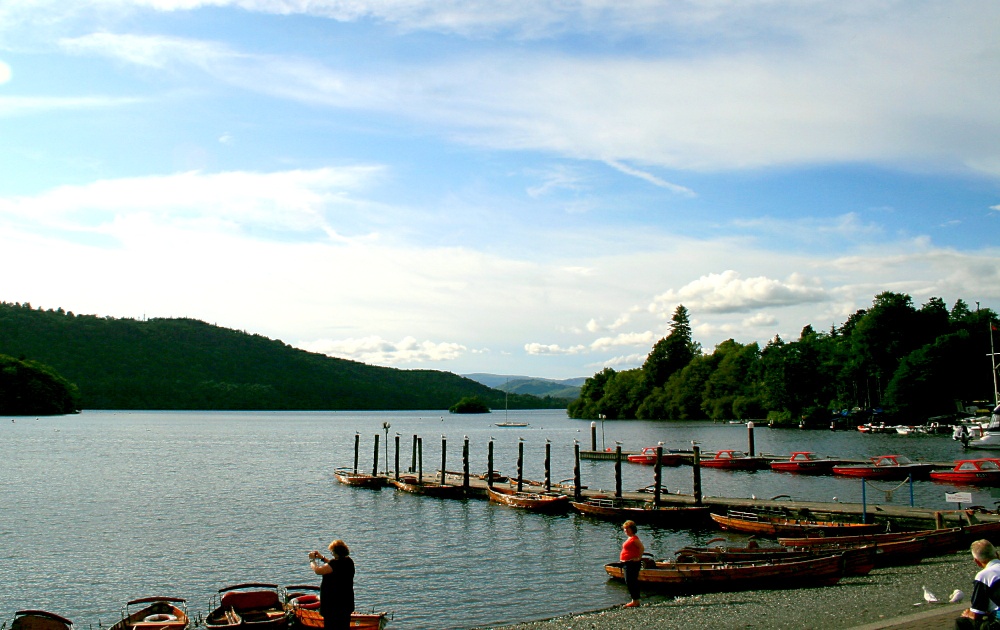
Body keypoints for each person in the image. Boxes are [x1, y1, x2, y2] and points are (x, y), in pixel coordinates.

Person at [308, 539, 355, 630]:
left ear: (336, 552)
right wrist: (322, 558)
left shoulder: (334, 564)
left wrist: (312, 561)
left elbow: (318, 570)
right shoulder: (349, 561)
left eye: (332, 552)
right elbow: (333, 566)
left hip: (333, 605)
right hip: (346, 603)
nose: (331, 554)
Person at [957, 539, 1000, 629]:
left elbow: (976, 614)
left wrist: (968, 614)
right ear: (997, 554)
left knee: (962, 622)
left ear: (976, 561)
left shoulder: (983, 576)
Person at [619, 520, 644, 608]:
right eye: (624, 529)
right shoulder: (630, 538)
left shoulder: (634, 538)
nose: (625, 531)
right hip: (627, 563)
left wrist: (638, 558)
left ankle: (635, 601)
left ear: (632, 529)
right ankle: (635, 600)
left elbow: (641, 548)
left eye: (627, 529)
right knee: (630, 581)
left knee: (630, 581)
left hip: (632, 563)